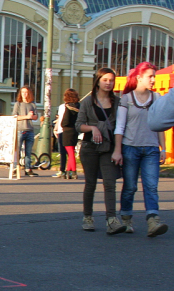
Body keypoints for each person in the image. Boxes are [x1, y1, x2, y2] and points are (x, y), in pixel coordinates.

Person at [111, 62, 168, 237]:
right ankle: (127, 219)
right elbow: (120, 127)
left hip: (151, 149)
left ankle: (153, 220)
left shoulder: (157, 98)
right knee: (130, 187)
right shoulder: (126, 99)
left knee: (151, 186)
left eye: (154, 76)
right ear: (139, 78)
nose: (153, 79)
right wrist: (118, 150)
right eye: (150, 76)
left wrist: (163, 148)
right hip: (130, 149)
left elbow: (159, 125)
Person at [75, 67, 125, 235]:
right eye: (105, 80)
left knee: (110, 183)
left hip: (108, 148)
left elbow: (121, 125)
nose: (108, 83)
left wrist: (119, 149)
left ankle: (112, 220)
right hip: (89, 148)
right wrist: (93, 128)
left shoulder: (117, 102)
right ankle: (87, 217)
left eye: (111, 80)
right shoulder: (88, 102)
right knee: (91, 183)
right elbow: (78, 125)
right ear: (98, 81)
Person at [12, 85, 38, 177]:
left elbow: (35, 117)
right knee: (17, 150)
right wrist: (26, 117)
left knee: (28, 151)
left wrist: (32, 116)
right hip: (20, 130)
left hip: (30, 130)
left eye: (26, 92)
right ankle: (15, 168)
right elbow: (14, 117)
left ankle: (28, 169)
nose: (24, 94)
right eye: (22, 92)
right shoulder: (18, 104)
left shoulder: (32, 104)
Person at [60, 88, 80, 180]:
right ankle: (69, 171)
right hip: (75, 130)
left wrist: (62, 125)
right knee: (71, 151)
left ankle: (74, 171)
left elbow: (65, 120)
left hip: (67, 131)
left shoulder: (68, 107)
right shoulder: (78, 106)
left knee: (70, 153)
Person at [53, 103, 67, 178]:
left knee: (65, 152)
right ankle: (64, 169)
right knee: (64, 152)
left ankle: (65, 170)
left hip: (64, 130)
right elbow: (59, 118)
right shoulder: (62, 106)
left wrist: (56, 128)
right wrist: (56, 128)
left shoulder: (65, 106)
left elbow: (60, 119)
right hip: (62, 130)